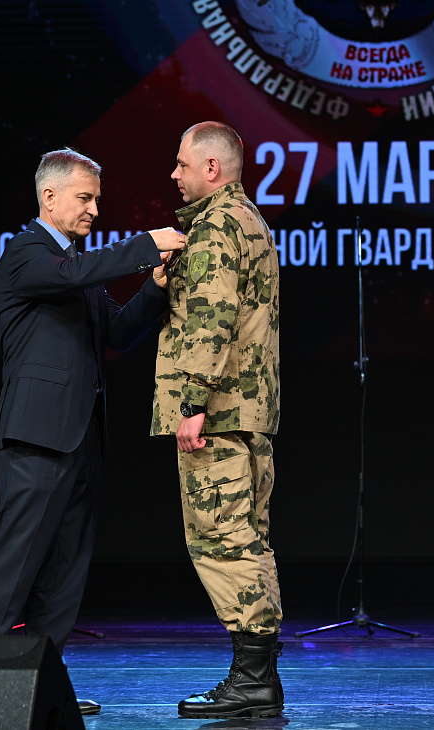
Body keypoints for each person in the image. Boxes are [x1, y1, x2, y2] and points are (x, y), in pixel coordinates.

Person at [0, 148, 185, 715]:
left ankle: (40, 686)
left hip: (82, 439)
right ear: (49, 196)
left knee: (64, 574)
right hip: (36, 437)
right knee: (13, 563)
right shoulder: (27, 253)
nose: (94, 209)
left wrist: (155, 286)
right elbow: (73, 274)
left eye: (96, 200)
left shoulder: (74, 266)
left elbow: (117, 333)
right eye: (85, 198)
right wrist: (144, 245)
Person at [151, 122, 283, 718]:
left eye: (182, 164)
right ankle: (258, 677)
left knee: (222, 541)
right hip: (246, 411)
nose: (174, 174)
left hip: (219, 415)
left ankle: (253, 680)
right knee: (247, 539)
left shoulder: (215, 225)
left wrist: (192, 403)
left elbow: (212, 317)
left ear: (212, 168)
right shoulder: (249, 219)